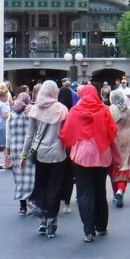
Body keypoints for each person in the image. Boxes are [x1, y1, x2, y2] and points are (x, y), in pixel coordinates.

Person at [60, 84, 121, 242]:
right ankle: (101, 225)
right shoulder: (104, 110)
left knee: (84, 192)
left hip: (81, 156)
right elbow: (112, 134)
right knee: (100, 189)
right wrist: (118, 159)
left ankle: (88, 230)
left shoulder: (75, 111)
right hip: (102, 154)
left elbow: (66, 133)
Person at [20, 81, 69, 239]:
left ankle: (42, 219)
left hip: (40, 153)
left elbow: (29, 136)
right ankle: (52, 221)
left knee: (41, 184)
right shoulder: (62, 109)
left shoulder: (35, 109)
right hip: (58, 153)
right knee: (54, 187)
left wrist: (23, 155)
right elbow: (66, 133)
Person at [7, 93, 34, 216]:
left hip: (15, 150)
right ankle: (32, 201)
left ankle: (22, 207)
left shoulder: (11, 116)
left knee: (19, 179)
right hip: (28, 150)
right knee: (30, 178)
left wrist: (7, 151)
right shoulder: (29, 114)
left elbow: (8, 136)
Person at [109, 88, 130, 208]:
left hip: (115, 139)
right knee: (125, 165)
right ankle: (121, 190)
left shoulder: (111, 109)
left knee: (114, 166)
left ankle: (116, 192)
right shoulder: (129, 110)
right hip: (128, 139)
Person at [58, 85, 76, 214]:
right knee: (69, 176)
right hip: (70, 147)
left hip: (56, 147)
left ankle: (57, 199)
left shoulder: (56, 110)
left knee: (57, 175)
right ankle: (67, 203)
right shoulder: (73, 111)